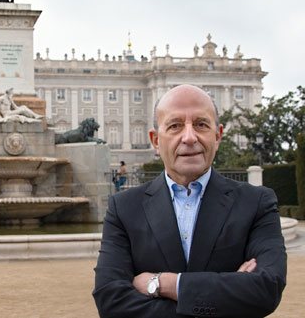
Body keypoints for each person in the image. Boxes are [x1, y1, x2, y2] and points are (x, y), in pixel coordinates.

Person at [93, 84, 286, 317]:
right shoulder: (123, 208)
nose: (189, 137)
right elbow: (110, 300)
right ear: (155, 140)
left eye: (201, 124)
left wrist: (163, 283)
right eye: (175, 126)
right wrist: (228, 294)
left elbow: (266, 289)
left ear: (218, 135)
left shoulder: (257, 202)